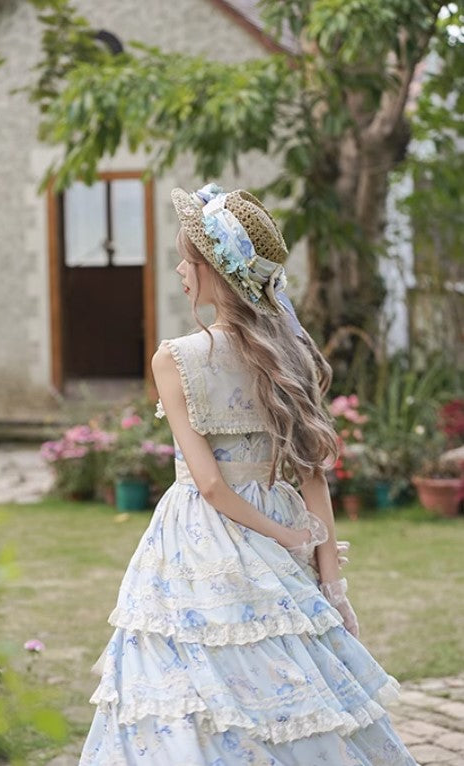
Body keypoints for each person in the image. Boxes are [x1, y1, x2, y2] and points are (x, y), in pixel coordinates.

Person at [78, 184, 418, 765]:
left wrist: (285, 538)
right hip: (278, 514)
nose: (180, 270)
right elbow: (313, 476)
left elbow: (210, 485)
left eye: (186, 259)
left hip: (200, 538)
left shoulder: (176, 358)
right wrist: (329, 583)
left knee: (190, 681)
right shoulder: (293, 354)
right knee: (288, 675)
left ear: (213, 271)